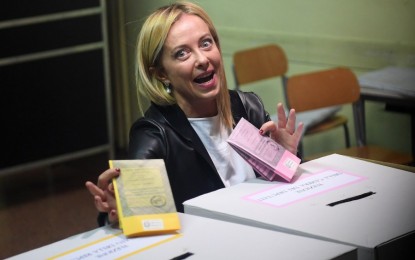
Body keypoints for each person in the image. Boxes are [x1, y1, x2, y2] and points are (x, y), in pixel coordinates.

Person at [85, 1, 304, 226]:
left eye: (206, 43)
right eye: (182, 53)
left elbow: (280, 195)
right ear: (161, 74)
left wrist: (286, 158)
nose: (202, 59)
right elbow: (136, 216)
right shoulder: (154, 135)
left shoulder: (248, 107)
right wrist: (118, 212)